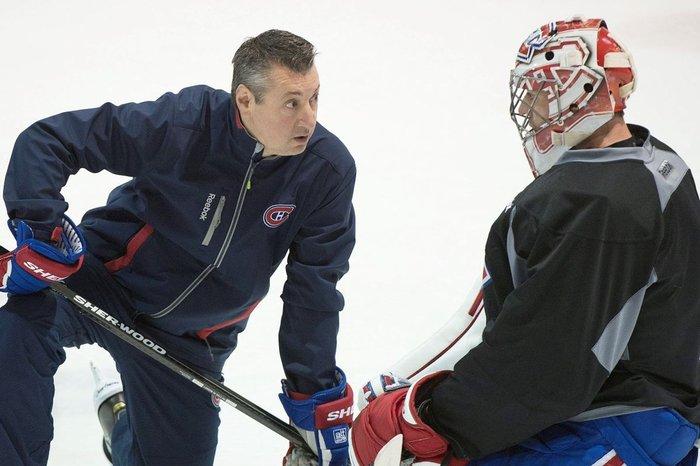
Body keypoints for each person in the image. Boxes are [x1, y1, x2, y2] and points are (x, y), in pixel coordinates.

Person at [349, 18, 699, 465]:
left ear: (575, 92)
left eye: (536, 95)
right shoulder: (658, 162)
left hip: (614, 429)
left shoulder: (592, 206)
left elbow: (542, 367)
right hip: (660, 423)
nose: (529, 112)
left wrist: (435, 421)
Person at [0, 29, 355, 466]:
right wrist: (41, 231)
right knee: (16, 333)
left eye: (314, 98)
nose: (309, 120)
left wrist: (313, 393)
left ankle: (125, 424)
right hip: (102, 281)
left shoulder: (326, 171)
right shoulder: (187, 124)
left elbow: (313, 289)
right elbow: (52, 140)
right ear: (245, 100)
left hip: (192, 337)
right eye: (291, 103)